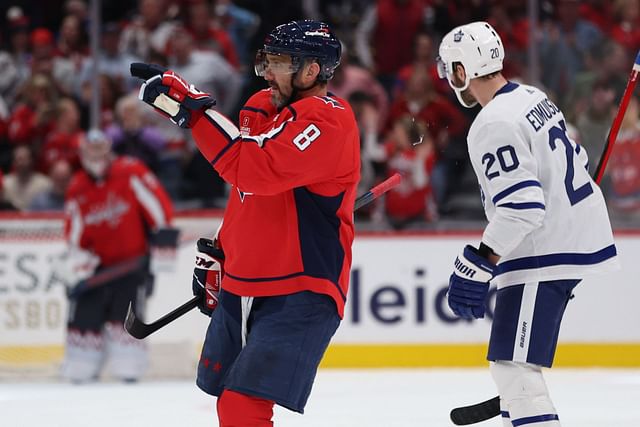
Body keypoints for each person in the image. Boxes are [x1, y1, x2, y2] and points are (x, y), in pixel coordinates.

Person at [132, 19, 360, 425]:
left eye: (279, 63)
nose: (268, 73)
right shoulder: (261, 109)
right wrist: (223, 252)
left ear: (311, 70)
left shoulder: (329, 122)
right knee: (227, 402)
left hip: (301, 287)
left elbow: (251, 168)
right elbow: (248, 196)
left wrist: (190, 109)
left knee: (243, 405)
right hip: (246, 281)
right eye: (266, 61)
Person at [438, 22, 619, 427]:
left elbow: (522, 207)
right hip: (568, 238)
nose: (450, 78)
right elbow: (579, 160)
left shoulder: (492, 123)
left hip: (544, 251)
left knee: (515, 372)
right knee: (513, 372)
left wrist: (480, 261)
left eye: (450, 68)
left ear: (463, 70)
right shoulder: (531, 97)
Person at [58, 129, 174, 383]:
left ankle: (129, 374)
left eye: (101, 149)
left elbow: (160, 210)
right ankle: (81, 369)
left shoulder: (131, 171)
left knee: (127, 346)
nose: (97, 156)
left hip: (131, 267)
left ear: (110, 150)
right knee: (80, 356)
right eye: (91, 150)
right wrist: (77, 266)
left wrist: (161, 257)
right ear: (82, 153)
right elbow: (74, 237)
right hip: (97, 271)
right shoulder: (77, 187)